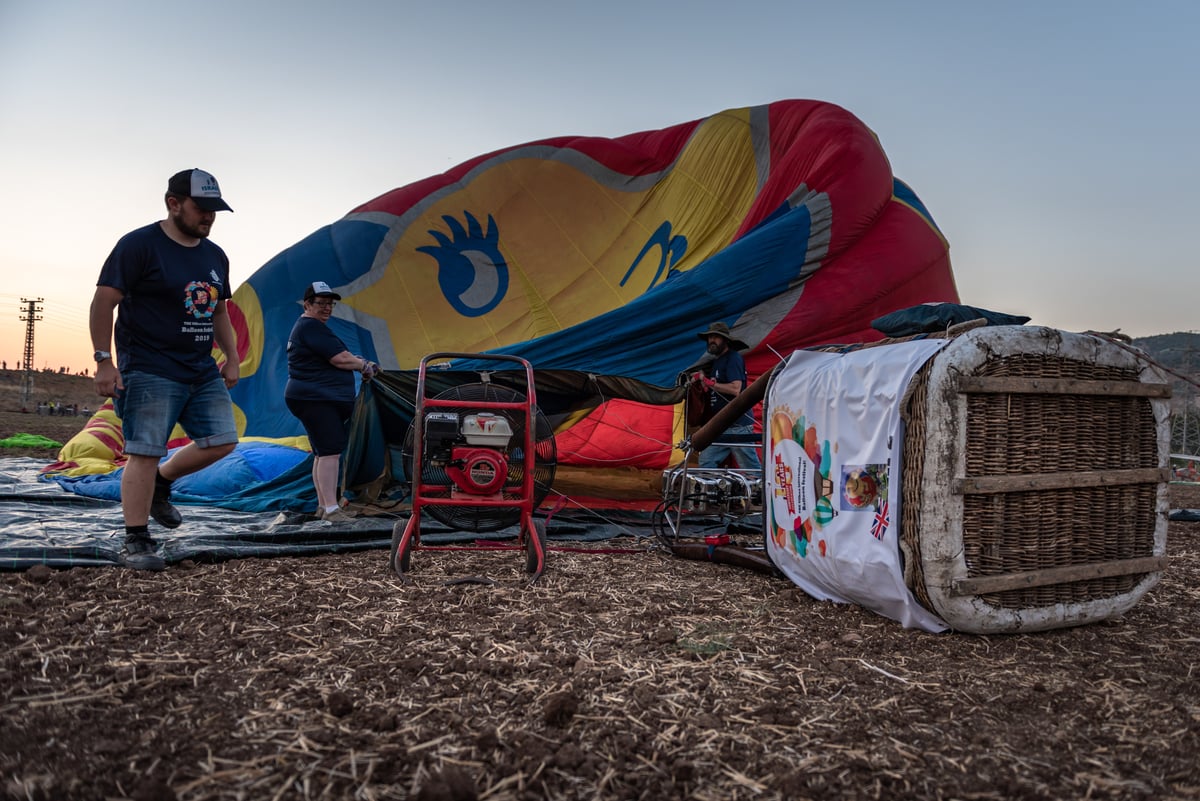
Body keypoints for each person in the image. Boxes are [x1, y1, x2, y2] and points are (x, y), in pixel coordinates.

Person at [90, 168, 240, 571]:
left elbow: (218, 309)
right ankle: (136, 539)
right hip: (150, 367)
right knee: (144, 451)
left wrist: (232, 356)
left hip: (200, 368)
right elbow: (104, 301)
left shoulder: (214, 255)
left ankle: (163, 482)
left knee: (223, 441)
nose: (208, 217)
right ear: (173, 203)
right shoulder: (139, 245)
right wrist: (104, 360)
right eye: (200, 208)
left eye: (214, 211)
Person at [284, 281, 378, 523]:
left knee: (322, 453)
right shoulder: (311, 326)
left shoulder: (310, 328)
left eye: (330, 304)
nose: (327, 308)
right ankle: (332, 510)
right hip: (317, 398)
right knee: (330, 454)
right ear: (307, 305)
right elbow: (339, 359)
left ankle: (323, 506)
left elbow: (334, 357)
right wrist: (364, 365)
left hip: (311, 397)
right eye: (321, 303)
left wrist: (356, 361)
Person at [689, 322, 762, 471]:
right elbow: (715, 388)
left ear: (725, 340)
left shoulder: (733, 358)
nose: (711, 340)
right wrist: (701, 382)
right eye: (709, 337)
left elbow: (736, 389)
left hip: (737, 424)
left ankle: (763, 494)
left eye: (716, 337)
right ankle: (711, 493)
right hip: (723, 424)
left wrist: (706, 381)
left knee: (750, 468)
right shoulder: (717, 362)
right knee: (706, 461)